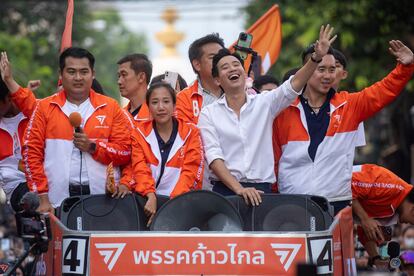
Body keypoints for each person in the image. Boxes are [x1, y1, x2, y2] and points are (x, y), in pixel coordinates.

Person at [199, 25, 336, 206]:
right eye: (225, 67)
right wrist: (239, 189)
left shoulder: (264, 103)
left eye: (236, 65)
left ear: (243, 72)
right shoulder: (208, 113)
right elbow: (214, 158)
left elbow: (293, 85)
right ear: (217, 80)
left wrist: (316, 58)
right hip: (225, 191)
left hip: (262, 191)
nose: (233, 69)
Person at [273, 40, 414, 214]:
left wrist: (405, 68)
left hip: (336, 203)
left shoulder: (349, 105)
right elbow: (274, 158)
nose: (328, 75)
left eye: (332, 70)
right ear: (307, 70)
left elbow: (382, 92)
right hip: (291, 201)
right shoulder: (283, 109)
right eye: (321, 69)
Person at [21, 47, 132, 212]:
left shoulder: (111, 107)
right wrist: (42, 197)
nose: (78, 77)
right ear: (61, 74)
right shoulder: (44, 108)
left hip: (103, 203)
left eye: (84, 72)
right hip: (56, 203)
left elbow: (125, 152)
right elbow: (31, 154)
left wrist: (93, 147)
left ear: (93, 74)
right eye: (71, 72)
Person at [131, 82, 204, 225]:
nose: (161, 107)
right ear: (148, 107)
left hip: (181, 204)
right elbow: (139, 168)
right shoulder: (138, 133)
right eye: (154, 102)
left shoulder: (191, 133)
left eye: (166, 101)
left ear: (174, 105)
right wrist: (150, 196)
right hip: (146, 203)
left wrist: (171, 207)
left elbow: (191, 172)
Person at [0, 52, 39, 212]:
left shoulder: (32, 114)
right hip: (16, 189)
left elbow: (34, 106)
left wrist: (11, 81)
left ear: (9, 98)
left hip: (42, 183)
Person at [352, 164, 414, 263]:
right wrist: (365, 218)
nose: (408, 224)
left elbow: (364, 230)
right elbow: (348, 186)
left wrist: (376, 258)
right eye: (411, 222)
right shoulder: (390, 186)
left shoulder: (395, 209)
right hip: (326, 188)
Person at [176, 33, 225, 124]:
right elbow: (186, 134)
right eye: (213, 57)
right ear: (197, 65)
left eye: (222, 56)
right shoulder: (184, 99)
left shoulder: (239, 90)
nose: (220, 60)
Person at [117, 53, 152, 120]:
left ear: (141, 77)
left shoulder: (157, 114)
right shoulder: (119, 117)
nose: (119, 81)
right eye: (119, 76)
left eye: (124, 75)